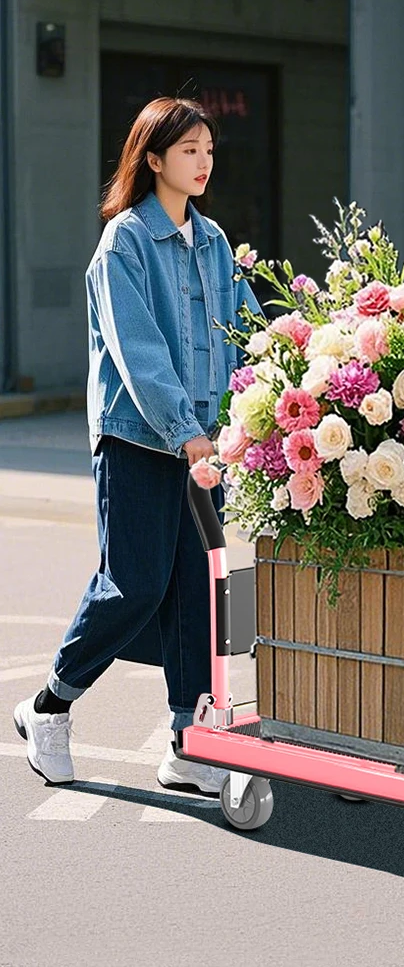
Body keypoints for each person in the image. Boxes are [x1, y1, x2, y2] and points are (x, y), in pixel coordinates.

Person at [13, 96, 263, 796]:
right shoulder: (123, 242)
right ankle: (48, 708)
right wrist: (186, 433)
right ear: (152, 159)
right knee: (135, 584)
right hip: (137, 439)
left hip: (201, 448)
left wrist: (267, 401)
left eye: (209, 150)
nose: (203, 161)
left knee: (195, 594)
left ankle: (186, 744)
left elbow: (247, 334)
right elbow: (139, 352)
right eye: (188, 151)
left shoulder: (214, 243)